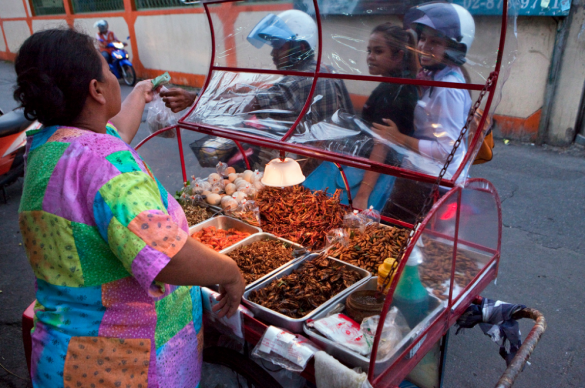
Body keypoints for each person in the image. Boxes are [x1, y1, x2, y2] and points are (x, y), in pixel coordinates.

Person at [14, 28, 245, 388]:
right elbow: (167, 255)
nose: (112, 77)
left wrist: (139, 93)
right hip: (124, 366)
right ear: (96, 89)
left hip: (62, 356)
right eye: (107, 69)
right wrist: (229, 272)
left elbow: (113, 131)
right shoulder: (104, 164)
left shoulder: (48, 146)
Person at [374, 2, 475, 222]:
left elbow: (446, 150)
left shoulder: (449, 88)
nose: (424, 47)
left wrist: (399, 139)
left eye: (435, 42)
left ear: (456, 48)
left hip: (440, 185)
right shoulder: (438, 78)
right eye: (423, 39)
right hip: (428, 177)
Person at [303, 23, 419, 210]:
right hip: (377, 171)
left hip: (377, 176)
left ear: (398, 56)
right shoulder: (398, 84)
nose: (370, 58)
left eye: (378, 52)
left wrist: (363, 195)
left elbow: (382, 145)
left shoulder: (394, 92)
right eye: (369, 51)